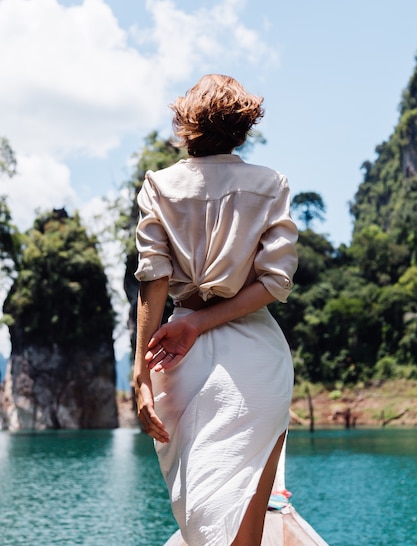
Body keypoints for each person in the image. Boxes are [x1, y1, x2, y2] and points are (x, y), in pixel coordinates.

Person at [134, 74, 298, 546]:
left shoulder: (159, 186)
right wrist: (204, 322)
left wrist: (142, 376)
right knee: (245, 528)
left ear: (185, 123)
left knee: (201, 515)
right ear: (244, 127)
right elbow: (275, 281)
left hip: (175, 356)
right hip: (256, 357)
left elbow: (153, 280)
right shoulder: (270, 185)